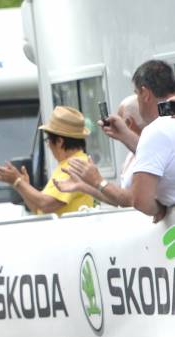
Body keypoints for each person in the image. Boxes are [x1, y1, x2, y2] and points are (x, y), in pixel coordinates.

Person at [55, 60, 175, 223]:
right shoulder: (164, 124)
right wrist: (125, 135)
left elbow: (140, 200)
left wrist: (160, 209)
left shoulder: (156, 130)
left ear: (145, 94)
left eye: (136, 94)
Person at [0, 106, 95, 216]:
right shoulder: (69, 164)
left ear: (59, 141)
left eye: (48, 140)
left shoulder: (76, 166)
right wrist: (22, 186)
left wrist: (18, 182)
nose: (48, 145)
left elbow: (47, 204)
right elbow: (39, 208)